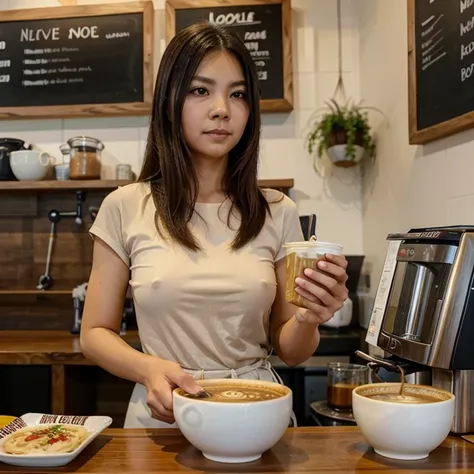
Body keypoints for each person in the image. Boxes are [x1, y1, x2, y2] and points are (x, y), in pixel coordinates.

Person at [79, 22, 349, 429]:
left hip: (256, 409)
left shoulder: (278, 211)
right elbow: (95, 332)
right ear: (170, 99)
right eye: (200, 90)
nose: (221, 108)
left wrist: (311, 316)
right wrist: (148, 369)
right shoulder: (125, 205)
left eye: (237, 94)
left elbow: (291, 351)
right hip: (164, 412)